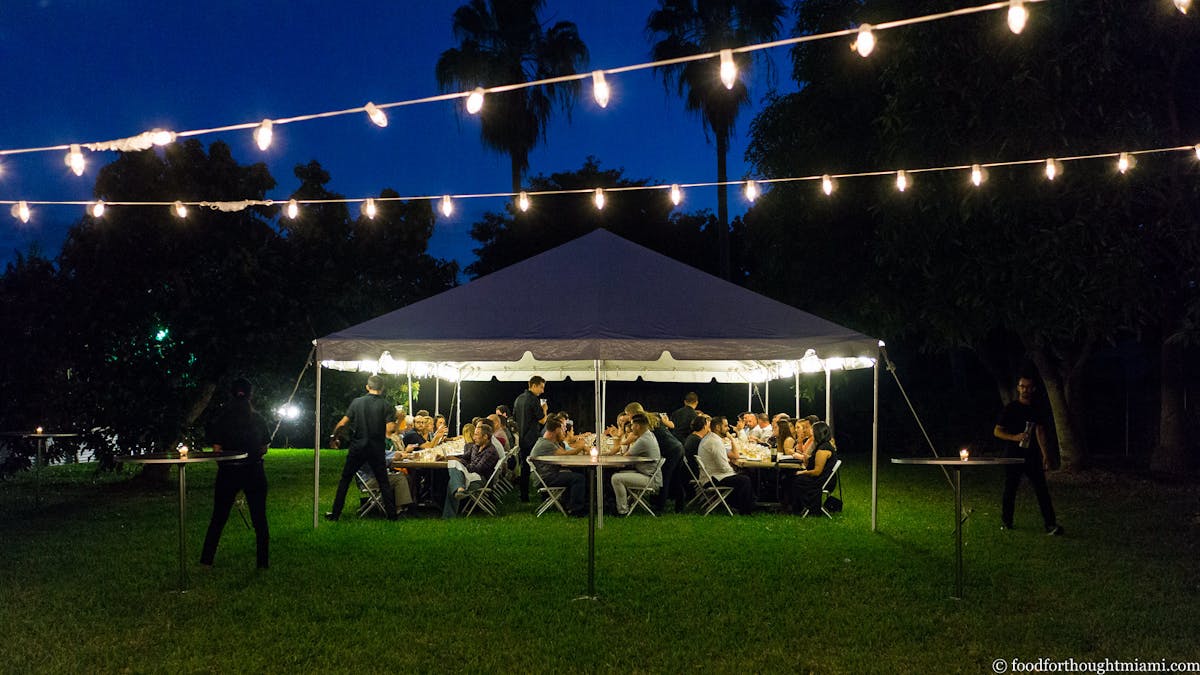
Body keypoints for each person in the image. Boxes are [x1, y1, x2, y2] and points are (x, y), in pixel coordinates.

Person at [200, 377, 270, 569]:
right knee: (260, 519)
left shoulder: (222, 419)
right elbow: (264, 447)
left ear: (231, 394)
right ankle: (262, 562)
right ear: (250, 395)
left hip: (228, 472)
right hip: (254, 471)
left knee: (218, 518)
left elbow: (216, 449)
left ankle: (207, 560)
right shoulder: (258, 418)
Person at [995, 376, 1063, 535]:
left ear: (1033, 389)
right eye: (1022, 386)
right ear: (1018, 388)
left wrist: (1045, 454)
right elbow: (997, 431)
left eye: (1028, 387)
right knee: (1010, 489)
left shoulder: (1036, 408)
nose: (1025, 389)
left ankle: (1050, 524)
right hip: (1013, 455)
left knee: (1041, 489)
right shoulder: (1010, 408)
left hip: (1031, 455)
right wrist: (1014, 437)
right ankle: (1007, 521)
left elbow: (1040, 431)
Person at [326, 375, 398, 521]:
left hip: (358, 447)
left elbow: (342, 424)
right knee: (383, 481)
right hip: (376, 448)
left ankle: (335, 514)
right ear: (382, 388)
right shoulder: (386, 405)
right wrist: (399, 419)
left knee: (345, 480)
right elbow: (389, 431)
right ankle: (392, 516)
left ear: (367, 386)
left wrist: (334, 438)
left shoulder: (357, 403)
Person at [528, 416, 586, 516]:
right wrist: (581, 447)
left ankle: (569, 504)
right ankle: (576, 510)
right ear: (556, 430)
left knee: (573, 474)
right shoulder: (546, 444)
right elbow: (564, 454)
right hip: (545, 478)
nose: (564, 432)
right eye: (562, 430)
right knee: (578, 478)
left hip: (544, 475)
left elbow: (563, 453)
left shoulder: (549, 442)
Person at [697, 416, 754, 515]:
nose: (728, 428)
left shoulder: (711, 438)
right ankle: (745, 511)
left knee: (743, 475)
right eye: (726, 426)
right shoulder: (715, 442)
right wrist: (734, 472)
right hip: (712, 478)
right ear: (718, 427)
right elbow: (723, 467)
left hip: (709, 476)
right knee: (745, 479)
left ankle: (738, 505)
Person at [443, 423, 500, 518]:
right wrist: (450, 457)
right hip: (470, 475)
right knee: (454, 473)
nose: (474, 437)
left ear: (485, 436)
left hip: (479, 480)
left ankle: (448, 515)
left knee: (454, 475)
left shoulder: (491, 451)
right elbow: (464, 457)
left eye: (477, 434)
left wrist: (457, 461)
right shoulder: (476, 446)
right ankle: (459, 489)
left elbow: (477, 468)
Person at [610, 413, 663, 515]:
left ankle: (622, 511)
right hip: (650, 474)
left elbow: (625, 456)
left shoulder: (643, 440)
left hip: (650, 478)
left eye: (632, 424)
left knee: (616, 478)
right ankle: (617, 504)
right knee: (619, 473)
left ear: (637, 426)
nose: (631, 427)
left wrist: (627, 442)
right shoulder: (649, 435)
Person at [789, 421, 837, 515]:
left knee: (793, 479)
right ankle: (795, 506)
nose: (810, 432)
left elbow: (817, 472)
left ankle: (797, 507)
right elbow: (811, 465)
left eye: (812, 430)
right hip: (820, 478)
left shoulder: (823, 449)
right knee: (790, 476)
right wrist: (807, 459)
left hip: (822, 481)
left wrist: (802, 473)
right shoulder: (819, 446)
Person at [514, 375, 549, 502]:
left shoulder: (518, 399)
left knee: (524, 468)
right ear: (533, 386)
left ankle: (524, 496)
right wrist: (544, 409)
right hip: (532, 438)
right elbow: (542, 420)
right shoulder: (534, 400)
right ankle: (545, 493)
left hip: (522, 438)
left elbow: (514, 418)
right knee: (540, 466)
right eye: (541, 387)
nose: (542, 391)